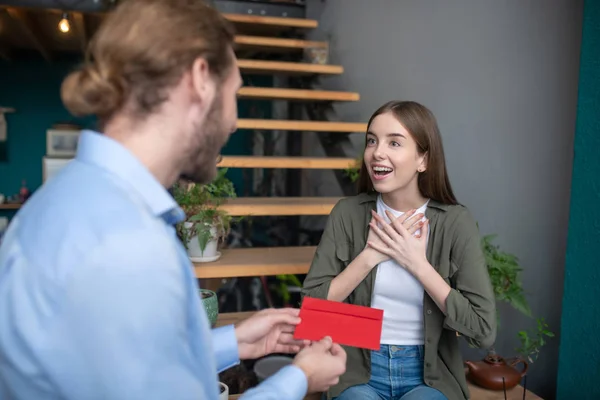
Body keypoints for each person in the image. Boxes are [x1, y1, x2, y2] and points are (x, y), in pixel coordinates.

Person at [0, 1, 346, 399]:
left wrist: (232, 343)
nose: (233, 121)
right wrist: (299, 379)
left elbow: (119, 367)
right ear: (201, 80)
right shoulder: (128, 242)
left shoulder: (65, 201)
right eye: (235, 93)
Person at [302, 101, 497, 400]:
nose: (377, 152)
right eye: (371, 141)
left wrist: (417, 264)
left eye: (394, 142)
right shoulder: (348, 214)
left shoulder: (455, 222)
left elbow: (483, 331)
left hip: (429, 377)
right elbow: (310, 311)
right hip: (357, 369)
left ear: (424, 160)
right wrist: (369, 256)